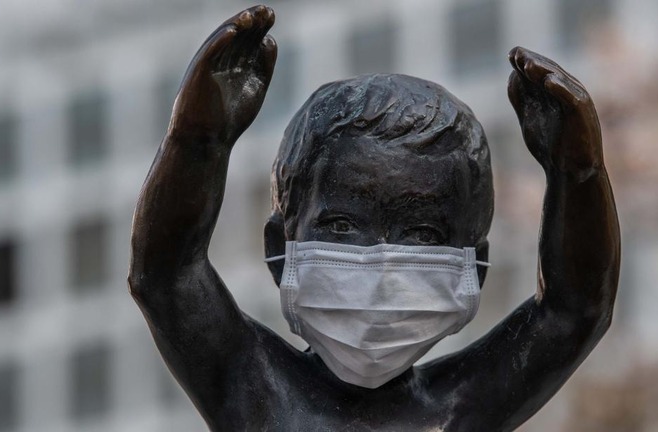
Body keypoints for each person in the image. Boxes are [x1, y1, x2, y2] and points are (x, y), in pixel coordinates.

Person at [129, 5, 620, 431]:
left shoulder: (461, 406)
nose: (381, 263)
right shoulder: (254, 387)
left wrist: (576, 174)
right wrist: (197, 141)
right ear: (280, 247)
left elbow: (574, 309)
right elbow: (166, 274)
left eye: (423, 234)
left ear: (473, 266)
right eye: (342, 226)